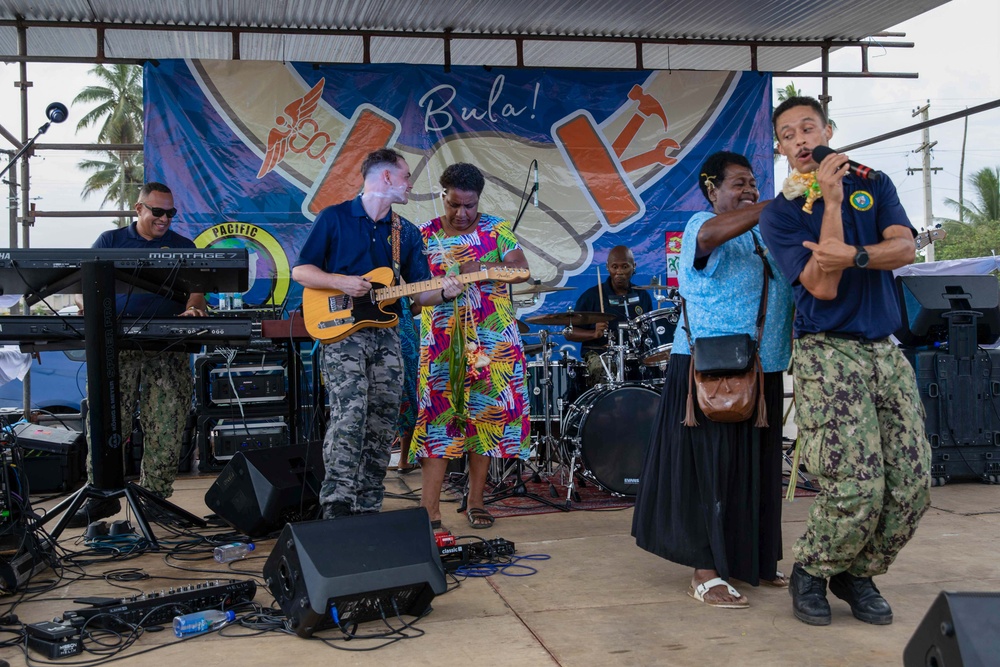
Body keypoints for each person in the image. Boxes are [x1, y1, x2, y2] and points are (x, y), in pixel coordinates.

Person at [759, 96, 930, 626]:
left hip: (884, 347)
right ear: (782, 148)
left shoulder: (874, 182)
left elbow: (905, 248)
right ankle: (812, 571)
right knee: (856, 483)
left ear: (829, 130)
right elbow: (823, 287)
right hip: (827, 349)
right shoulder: (780, 212)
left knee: (912, 482)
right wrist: (830, 203)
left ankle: (856, 572)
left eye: (809, 127)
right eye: (789, 134)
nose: (802, 139)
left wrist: (857, 254)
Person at [632, 151, 793, 608]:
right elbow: (708, 239)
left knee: (755, 470)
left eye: (753, 183)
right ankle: (705, 569)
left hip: (763, 365)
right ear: (712, 190)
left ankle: (752, 560)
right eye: (738, 183)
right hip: (712, 367)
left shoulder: (763, 232)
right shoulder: (702, 224)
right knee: (713, 470)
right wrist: (777, 202)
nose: (749, 190)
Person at [292, 148, 457, 519]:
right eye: (406, 176)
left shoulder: (405, 233)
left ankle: (368, 503)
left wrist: (445, 290)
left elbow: (419, 292)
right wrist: (341, 282)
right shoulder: (334, 218)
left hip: (387, 334)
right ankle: (336, 502)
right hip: (340, 332)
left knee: (383, 419)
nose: (410, 184)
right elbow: (302, 272)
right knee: (350, 414)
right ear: (386, 177)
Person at [68, 182, 208, 528]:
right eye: (157, 212)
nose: (164, 219)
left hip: (168, 346)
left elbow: (197, 292)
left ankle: (156, 498)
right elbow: (81, 290)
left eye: (171, 213)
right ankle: (101, 496)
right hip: (118, 344)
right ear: (138, 208)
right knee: (105, 417)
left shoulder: (182, 246)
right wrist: (93, 312)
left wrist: (193, 309)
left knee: (168, 419)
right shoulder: (110, 241)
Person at [411, 162, 531, 529]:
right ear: (442, 196)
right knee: (438, 422)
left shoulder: (497, 229)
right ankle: (429, 510)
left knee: (486, 421)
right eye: (454, 205)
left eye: (470, 206)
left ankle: (476, 500)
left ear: (479, 200)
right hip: (443, 346)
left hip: (494, 343)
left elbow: (521, 269)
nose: (462, 214)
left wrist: (476, 268)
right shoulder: (424, 235)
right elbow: (413, 300)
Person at [564, 246, 653, 385]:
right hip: (601, 354)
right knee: (603, 367)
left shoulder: (642, 296)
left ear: (633, 267)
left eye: (625, 267)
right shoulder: (591, 296)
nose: (619, 272)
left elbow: (650, 331)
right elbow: (569, 332)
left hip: (635, 354)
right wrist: (594, 334)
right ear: (607, 267)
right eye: (614, 267)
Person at [394, 296, 421, 473]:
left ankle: (405, 459)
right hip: (403, 327)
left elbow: (421, 298)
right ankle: (404, 459)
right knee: (406, 393)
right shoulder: (399, 268)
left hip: (402, 329)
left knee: (405, 394)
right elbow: (421, 300)